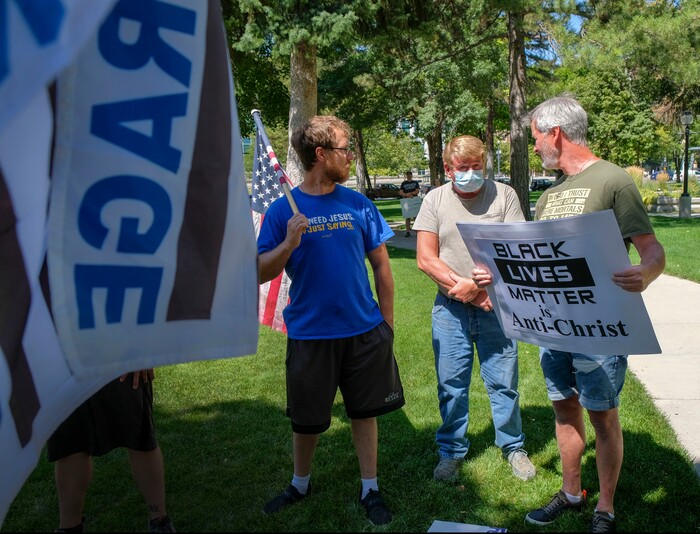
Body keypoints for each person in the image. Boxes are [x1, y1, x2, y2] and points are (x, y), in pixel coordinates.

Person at [473, 94, 666, 533]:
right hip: (555, 328)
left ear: (555, 133)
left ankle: (606, 508)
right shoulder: (549, 196)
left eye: (536, 138)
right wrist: (498, 278)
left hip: (601, 329)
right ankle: (572, 492)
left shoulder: (613, 180)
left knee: (602, 414)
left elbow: (651, 249)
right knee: (564, 409)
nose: (535, 147)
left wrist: (647, 273)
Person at [257, 115, 405, 526]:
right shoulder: (281, 211)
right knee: (307, 420)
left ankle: (370, 487)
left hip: (363, 331)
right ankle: (299, 484)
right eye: (345, 149)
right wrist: (289, 241)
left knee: (364, 412)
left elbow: (382, 267)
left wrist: (386, 324)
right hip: (310, 333)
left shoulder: (359, 204)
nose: (350, 156)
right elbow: (259, 271)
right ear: (321, 155)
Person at [411, 135, 536, 484]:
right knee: (451, 384)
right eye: (462, 168)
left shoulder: (505, 195)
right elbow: (425, 258)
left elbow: (518, 249)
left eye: (476, 166)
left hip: (497, 308)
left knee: (504, 383)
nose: (469, 173)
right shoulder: (435, 200)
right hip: (451, 310)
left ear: (485, 164)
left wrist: (484, 286)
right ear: (448, 170)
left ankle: (514, 447)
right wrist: (464, 289)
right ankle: (451, 451)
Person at [48, 370, 175, 533]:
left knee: (140, 436)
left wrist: (142, 350)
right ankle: (69, 528)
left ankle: (160, 522)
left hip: (119, 355)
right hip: (63, 360)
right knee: (70, 442)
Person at [399, 170, 421, 237]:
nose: (409, 176)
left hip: (414, 200)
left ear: (412, 175)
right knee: (407, 217)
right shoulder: (403, 183)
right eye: (407, 175)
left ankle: (418, 231)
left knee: (416, 216)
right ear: (406, 176)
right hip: (406, 200)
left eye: (410, 175)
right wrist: (406, 195)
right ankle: (408, 231)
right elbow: (400, 192)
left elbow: (417, 191)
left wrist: (411, 193)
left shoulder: (415, 182)